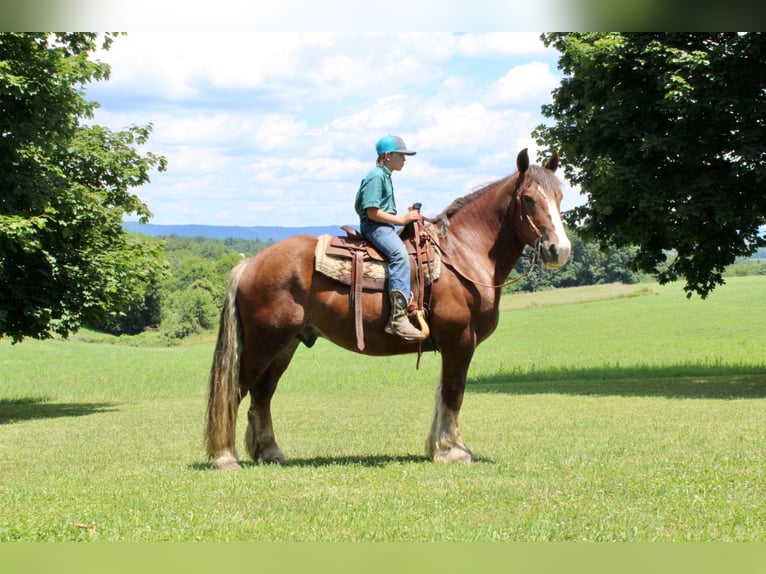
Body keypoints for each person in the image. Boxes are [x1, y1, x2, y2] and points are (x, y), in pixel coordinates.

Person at [354, 135, 426, 342]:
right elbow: (372, 212)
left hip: (384, 226)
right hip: (376, 227)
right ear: (387, 156)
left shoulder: (384, 175)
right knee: (399, 255)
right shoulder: (376, 176)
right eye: (401, 155)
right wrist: (403, 220)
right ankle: (397, 318)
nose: (404, 159)